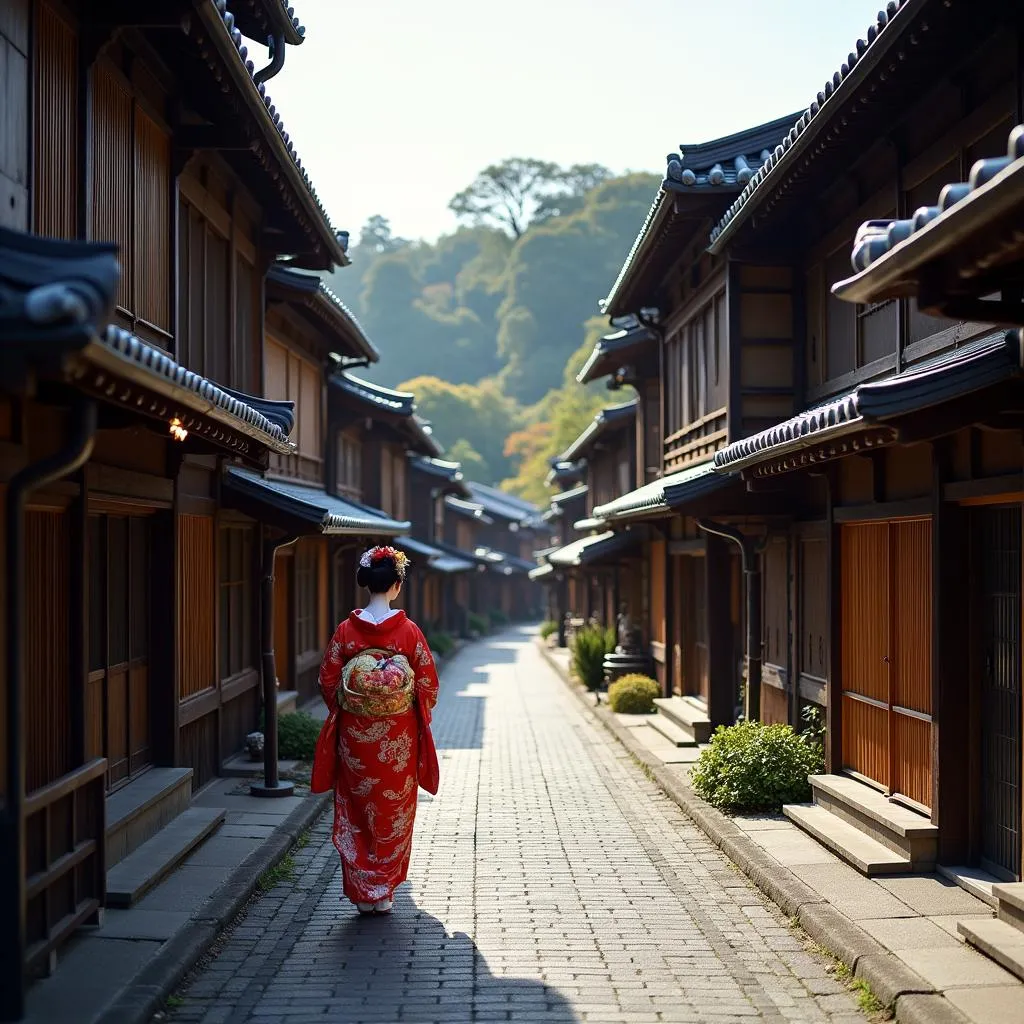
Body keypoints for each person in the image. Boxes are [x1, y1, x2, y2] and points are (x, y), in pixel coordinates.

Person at [311, 545, 440, 915]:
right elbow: (429, 684)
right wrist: (406, 708)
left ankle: (362, 891)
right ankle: (382, 891)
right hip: (397, 739)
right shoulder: (409, 632)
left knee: (356, 808)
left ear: (366, 583)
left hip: (355, 739)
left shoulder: (346, 631)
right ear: (397, 585)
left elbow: (327, 680)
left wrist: (354, 707)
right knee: (392, 812)